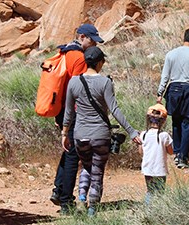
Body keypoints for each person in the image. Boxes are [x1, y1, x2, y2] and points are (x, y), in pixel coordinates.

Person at [61, 46, 141, 216]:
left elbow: (69, 112)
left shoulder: (73, 82)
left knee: (85, 167)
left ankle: (82, 198)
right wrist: (132, 132)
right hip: (100, 135)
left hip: (80, 134)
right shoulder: (105, 82)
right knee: (97, 171)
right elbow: (115, 110)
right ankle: (91, 210)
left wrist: (64, 133)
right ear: (99, 63)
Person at [50, 23, 105, 214]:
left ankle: (59, 191)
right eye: (92, 41)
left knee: (68, 151)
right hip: (73, 113)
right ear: (82, 37)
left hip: (62, 110)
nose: (94, 46)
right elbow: (80, 89)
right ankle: (66, 202)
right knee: (73, 157)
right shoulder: (79, 58)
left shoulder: (65, 52)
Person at [156, 28, 189, 169]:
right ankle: (183, 157)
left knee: (176, 121)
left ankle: (177, 153)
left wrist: (160, 93)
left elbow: (165, 76)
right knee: (187, 123)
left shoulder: (171, 54)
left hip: (173, 89)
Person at [138, 103, 173, 204]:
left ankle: (147, 210)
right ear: (163, 121)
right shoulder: (164, 135)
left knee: (150, 191)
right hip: (160, 169)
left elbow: (141, 152)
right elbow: (171, 152)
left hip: (147, 168)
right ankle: (158, 212)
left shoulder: (143, 134)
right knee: (160, 192)